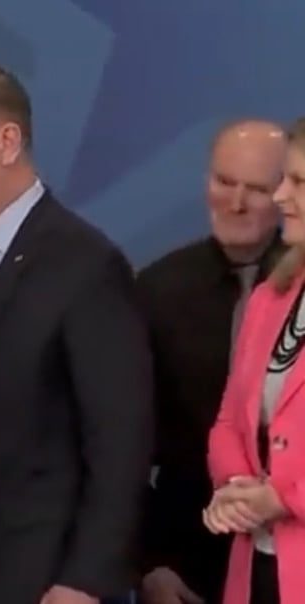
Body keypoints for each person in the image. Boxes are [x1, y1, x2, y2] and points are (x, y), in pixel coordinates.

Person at [0, 62, 153, 604]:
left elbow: (120, 441)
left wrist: (86, 579)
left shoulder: (84, 264)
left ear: (7, 141)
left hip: (49, 583)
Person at [137, 119, 286, 604]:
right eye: (224, 181)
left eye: (256, 189)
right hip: (186, 561)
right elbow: (122, 445)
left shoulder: (297, 290)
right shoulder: (156, 290)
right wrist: (148, 562)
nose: (236, 203)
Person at [204, 116, 305, 604]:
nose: (281, 196)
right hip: (258, 569)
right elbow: (230, 420)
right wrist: (236, 491)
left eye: (298, 182)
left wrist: (282, 498)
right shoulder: (271, 296)